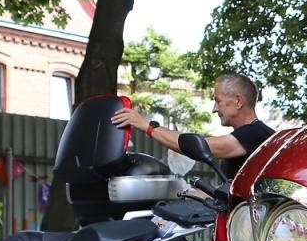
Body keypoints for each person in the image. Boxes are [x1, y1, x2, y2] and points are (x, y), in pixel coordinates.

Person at [112, 72, 273, 182]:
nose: (214, 109)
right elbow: (228, 192)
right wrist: (183, 192)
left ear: (238, 101)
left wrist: (146, 125)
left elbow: (200, 147)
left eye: (218, 101)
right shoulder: (245, 139)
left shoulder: (257, 134)